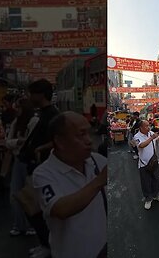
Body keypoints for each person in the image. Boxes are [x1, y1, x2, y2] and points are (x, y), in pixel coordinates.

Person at [33, 112, 107, 258]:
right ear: (60, 142)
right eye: (81, 134)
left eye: (89, 133)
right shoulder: (43, 174)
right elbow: (61, 209)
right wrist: (99, 181)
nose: (89, 141)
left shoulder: (98, 162)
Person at [18, 79, 60, 258]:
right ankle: (44, 243)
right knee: (33, 207)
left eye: (32, 93)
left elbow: (58, 139)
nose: (29, 97)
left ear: (40, 94)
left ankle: (48, 245)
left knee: (39, 209)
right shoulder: (42, 113)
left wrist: (39, 149)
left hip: (43, 167)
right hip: (35, 166)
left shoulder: (52, 114)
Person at [6, 98, 39, 236]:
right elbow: (8, 142)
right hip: (18, 160)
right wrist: (18, 142)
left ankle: (33, 225)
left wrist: (18, 143)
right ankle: (19, 225)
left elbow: (30, 143)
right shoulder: (16, 122)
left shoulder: (33, 122)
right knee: (15, 194)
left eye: (18, 108)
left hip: (29, 161)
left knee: (30, 194)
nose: (16, 110)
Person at [134, 120, 159, 210]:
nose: (149, 127)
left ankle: (156, 195)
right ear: (141, 127)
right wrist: (151, 138)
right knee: (146, 182)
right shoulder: (136, 136)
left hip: (154, 162)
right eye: (146, 126)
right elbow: (141, 145)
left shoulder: (150, 133)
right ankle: (148, 198)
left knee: (156, 179)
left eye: (149, 126)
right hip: (144, 163)